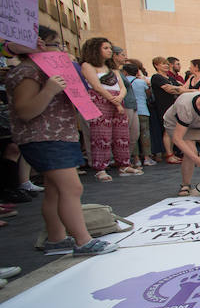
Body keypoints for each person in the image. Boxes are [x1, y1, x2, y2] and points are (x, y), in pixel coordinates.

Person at [7, 32, 118, 256]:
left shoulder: (44, 71)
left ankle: (56, 238)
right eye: (55, 45)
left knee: (55, 191)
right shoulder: (27, 73)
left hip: (58, 136)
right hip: (45, 137)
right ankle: (82, 240)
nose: (61, 50)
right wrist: (49, 90)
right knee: (72, 188)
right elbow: (25, 111)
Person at [81, 38, 142, 181]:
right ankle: (100, 168)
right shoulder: (87, 66)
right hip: (100, 100)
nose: (109, 51)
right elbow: (96, 86)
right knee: (101, 135)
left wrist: (119, 98)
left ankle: (124, 164)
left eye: (110, 48)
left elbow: (122, 87)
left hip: (117, 101)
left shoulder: (112, 69)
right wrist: (114, 100)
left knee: (122, 135)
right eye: (106, 48)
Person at [150, 56, 185, 163]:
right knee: (167, 131)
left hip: (174, 106)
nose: (166, 66)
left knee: (174, 131)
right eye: (162, 64)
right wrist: (190, 90)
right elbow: (170, 89)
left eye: (166, 64)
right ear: (156, 66)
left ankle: (172, 153)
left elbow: (181, 87)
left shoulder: (171, 78)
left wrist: (181, 89)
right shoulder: (156, 77)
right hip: (164, 107)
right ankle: (169, 155)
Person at [122, 63, 154, 167]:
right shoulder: (141, 82)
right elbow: (148, 94)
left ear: (125, 72)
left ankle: (136, 159)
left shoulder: (123, 81)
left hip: (129, 109)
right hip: (143, 110)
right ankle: (147, 158)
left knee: (133, 136)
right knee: (145, 135)